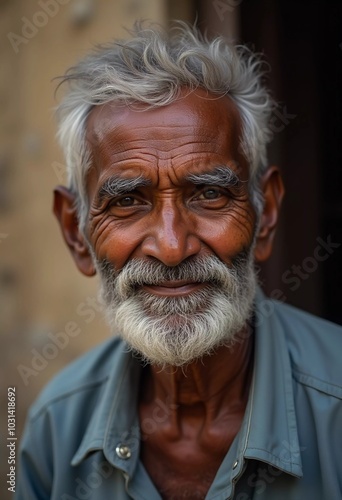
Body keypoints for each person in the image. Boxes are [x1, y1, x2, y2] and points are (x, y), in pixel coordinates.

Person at [16, 22, 342, 500]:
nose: (171, 247)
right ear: (76, 233)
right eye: (127, 201)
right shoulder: (55, 428)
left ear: (265, 214)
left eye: (210, 194)